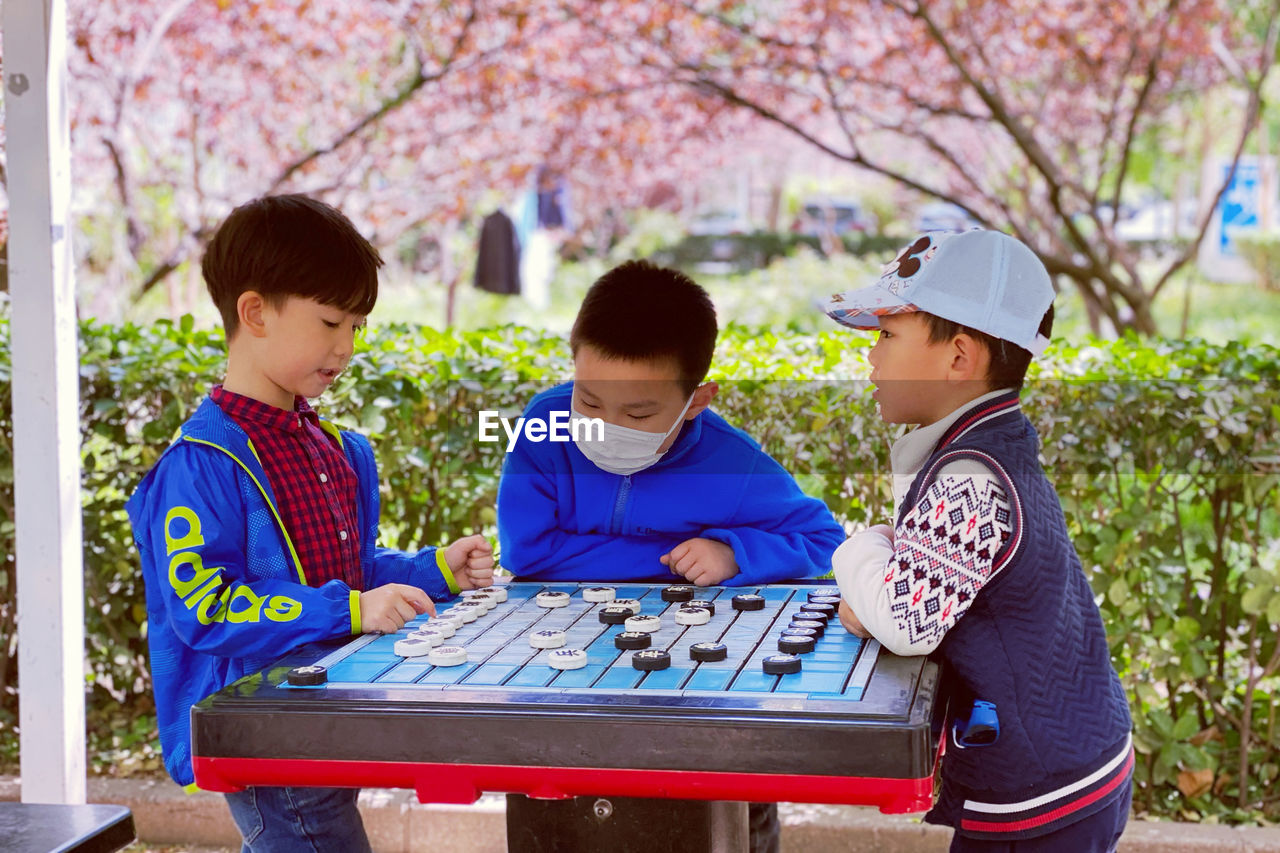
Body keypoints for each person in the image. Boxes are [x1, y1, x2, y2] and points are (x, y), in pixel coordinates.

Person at [126, 194, 495, 853]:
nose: (347, 345)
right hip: (264, 726)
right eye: (331, 321)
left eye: (357, 325)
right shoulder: (201, 466)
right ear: (255, 312)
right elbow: (207, 608)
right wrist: (352, 607)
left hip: (321, 714)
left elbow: (350, 573)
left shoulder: (335, 452)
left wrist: (433, 568)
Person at [496, 259, 846, 853]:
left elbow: (825, 541)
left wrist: (735, 553)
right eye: (589, 400)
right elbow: (529, 550)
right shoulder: (543, 424)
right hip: (564, 684)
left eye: (637, 415)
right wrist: (665, 555)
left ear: (696, 400)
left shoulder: (732, 460)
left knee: (724, 820)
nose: (606, 428)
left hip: (704, 697)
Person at [822, 229, 1133, 852]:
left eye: (887, 334)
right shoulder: (994, 440)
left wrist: (857, 549)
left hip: (1044, 797)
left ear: (959, 358)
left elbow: (905, 621)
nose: (870, 357)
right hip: (1072, 766)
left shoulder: (969, 476)